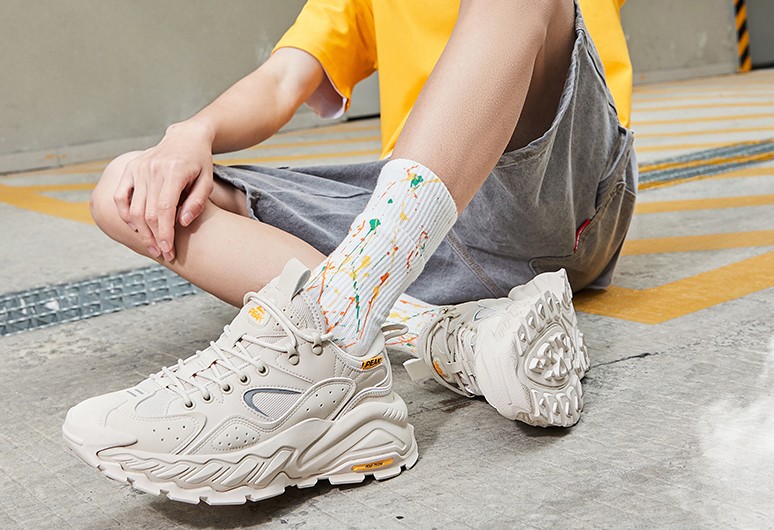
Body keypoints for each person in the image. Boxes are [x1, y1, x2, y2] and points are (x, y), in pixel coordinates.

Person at [63, 0, 636, 504]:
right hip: (411, 227)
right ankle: (436, 335)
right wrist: (195, 131)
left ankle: (336, 323)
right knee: (130, 191)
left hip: (554, 195)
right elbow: (282, 81)